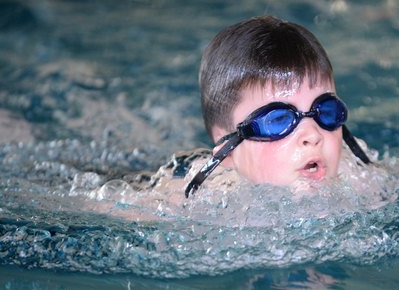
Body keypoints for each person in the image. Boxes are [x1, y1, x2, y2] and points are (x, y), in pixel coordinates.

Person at [153, 15, 372, 200]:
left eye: (326, 112)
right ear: (228, 151)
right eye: (279, 120)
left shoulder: (365, 185)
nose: (312, 135)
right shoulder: (194, 203)